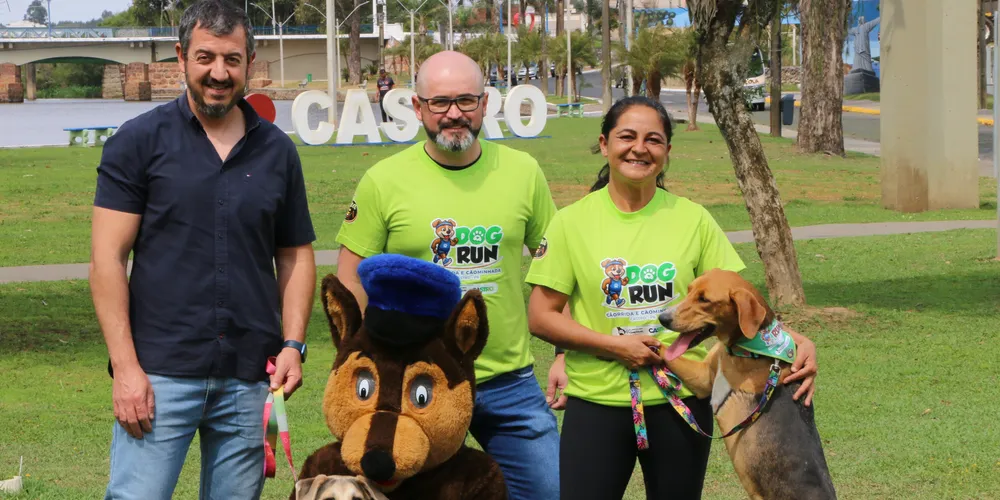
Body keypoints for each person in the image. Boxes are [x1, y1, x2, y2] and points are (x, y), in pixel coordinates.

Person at [524, 96, 819, 500]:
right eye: (627, 136)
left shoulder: (692, 219)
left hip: (682, 401)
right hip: (596, 401)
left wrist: (795, 342)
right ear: (605, 144)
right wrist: (615, 346)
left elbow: (737, 303)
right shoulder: (570, 223)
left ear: (667, 151)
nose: (639, 148)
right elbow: (541, 316)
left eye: (653, 140)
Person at [89, 1, 316, 498]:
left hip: (250, 374)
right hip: (158, 373)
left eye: (232, 59)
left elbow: (295, 255)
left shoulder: (277, 150)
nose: (219, 73)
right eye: (205, 58)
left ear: (249, 62)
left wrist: (293, 344)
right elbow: (107, 260)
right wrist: (125, 368)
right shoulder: (138, 142)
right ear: (181, 57)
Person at [334, 50, 561, 500]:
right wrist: (360, 361)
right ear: (418, 107)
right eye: (439, 102)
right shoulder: (383, 180)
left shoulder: (523, 172)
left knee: (551, 491)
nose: (454, 113)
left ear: (485, 103)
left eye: (465, 100)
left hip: (506, 381)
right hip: (410, 383)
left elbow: (555, 272)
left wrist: (563, 354)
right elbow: (350, 279)